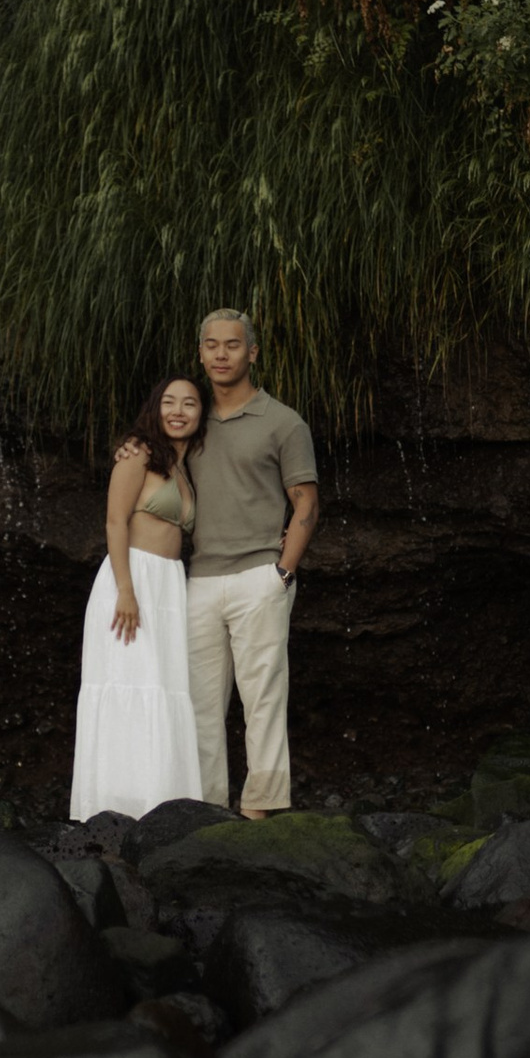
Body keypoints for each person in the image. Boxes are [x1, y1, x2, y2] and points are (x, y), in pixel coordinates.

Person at [186, 308, 318, 818]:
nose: (222, 354)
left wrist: (281, 573)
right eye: (212, 345)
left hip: (259, 577)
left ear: (253, 353)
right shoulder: (188, 420)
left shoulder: (283, 422)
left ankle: (260, 807)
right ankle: (205, 807)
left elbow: (305, 500)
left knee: (262, 700)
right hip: (198, 580)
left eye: (233, 345)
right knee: (199, 706)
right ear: (201, 353)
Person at [68, 375, 207, 823]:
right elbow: (114, 522)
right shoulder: (138, 453)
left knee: (164, 690)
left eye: (189, 403)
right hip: (132, 581)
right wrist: (126, 591)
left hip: (169, 586)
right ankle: (112, 811)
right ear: (154, 408)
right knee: (127, 687)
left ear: (201, 414)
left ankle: (161, 809)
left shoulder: (186, 468)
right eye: (169, 401)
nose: (178, 411)